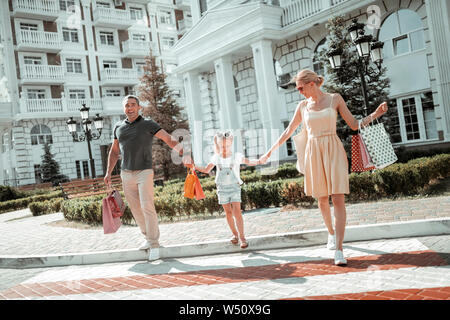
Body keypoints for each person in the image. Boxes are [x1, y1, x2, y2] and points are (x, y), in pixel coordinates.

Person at [259, 69, 388, 266]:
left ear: (312, 83)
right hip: (314, 152)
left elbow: (353, 124)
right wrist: (269, 152)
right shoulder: (302, 106)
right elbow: (288, 131)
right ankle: (330, 232)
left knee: (338, 198)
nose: (299, 92)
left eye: (301, 88)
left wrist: (375, 114)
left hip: (333, 149)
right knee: (321, 199)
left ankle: (339, 249)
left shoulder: (334, 99)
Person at [104, 95, 193, 261]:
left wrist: (184, 152)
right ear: (123, 109)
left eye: (132, 105)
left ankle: (154, 244)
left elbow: (168, 138)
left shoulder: (148, 124)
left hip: (144, 172)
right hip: (126, 173)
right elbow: (115, 151)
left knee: (147, 206)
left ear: (138, 107)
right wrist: (109, 172)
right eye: (126, 106)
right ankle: (148, 238)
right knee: (136, 209)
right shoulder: (118, 127)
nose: (129, 108)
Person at [195, 131, 261, 249]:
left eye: (227, 145)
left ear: (231, 143)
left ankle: (242, 237)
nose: (225, 148)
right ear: (218, 145)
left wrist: (260, 161)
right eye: (222, 146)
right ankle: (234, 235)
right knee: (228, 213)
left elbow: (249, 162)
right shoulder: (216, 157)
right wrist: (193, 166)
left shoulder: (237, 156)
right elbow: (206, 170)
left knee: (237, 212)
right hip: (222, 188)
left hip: (235, 187)